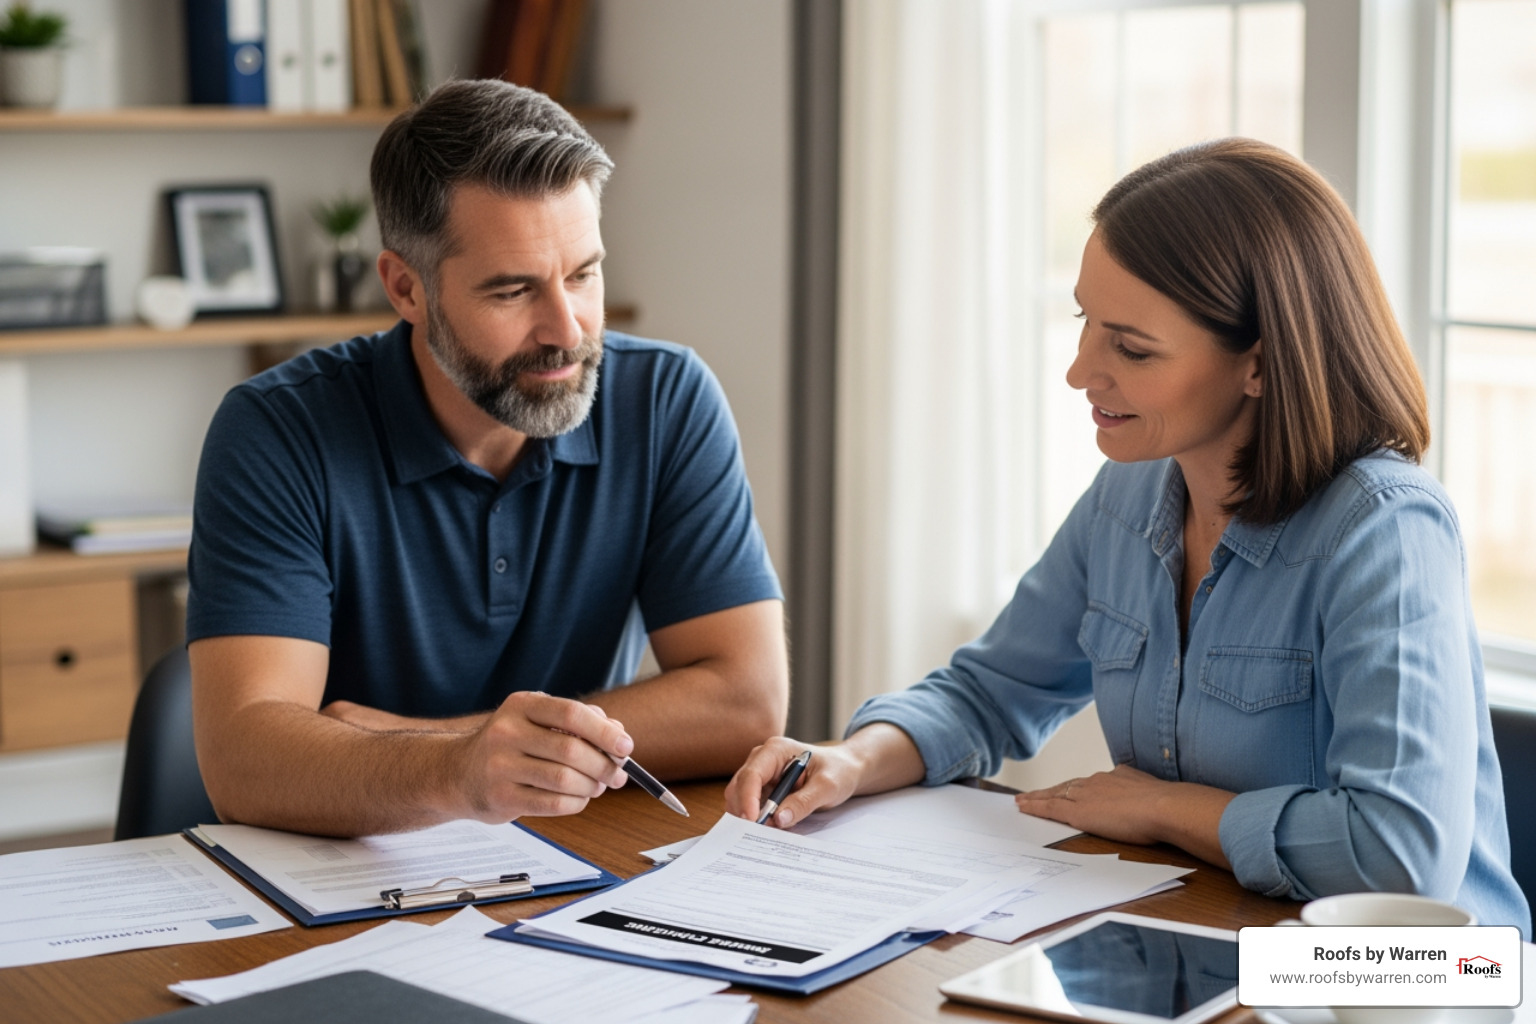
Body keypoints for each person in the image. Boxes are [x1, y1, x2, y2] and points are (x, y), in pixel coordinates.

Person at [726, 138, 1531, 935]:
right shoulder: (1133, 490)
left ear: (1259, 363)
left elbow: (1400, 857)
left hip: (1419, 978)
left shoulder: (1385, 528)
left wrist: (1162, 807)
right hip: (1216, 933)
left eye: (1132, 347)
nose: (1080, 370)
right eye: (1086, 322)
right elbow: (989, 691)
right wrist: (853, 759)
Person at [187, 80, 788, 837]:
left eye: (583, 273)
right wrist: (459, 772)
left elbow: (745, 701)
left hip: (575, 860)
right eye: (513, 290)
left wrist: (453, 744)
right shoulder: (278, 431)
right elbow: (244, 762)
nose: (566, 330)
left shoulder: (665, 398)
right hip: (345, 877)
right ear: (407, 288)